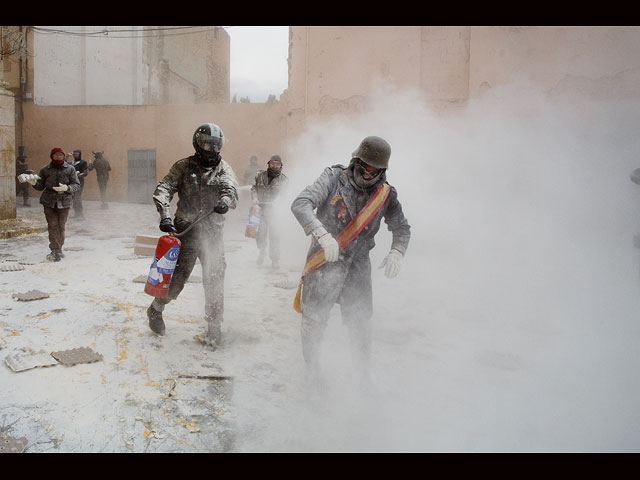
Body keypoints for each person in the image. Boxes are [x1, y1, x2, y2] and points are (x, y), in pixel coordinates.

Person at [290, 136, 411, 387]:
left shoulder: (385, 194)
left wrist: (397, 251)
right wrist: (321, 234)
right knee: (313, 321)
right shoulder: (334, 178)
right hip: (324, 260)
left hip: (357, 267)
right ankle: (312, 373)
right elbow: (301, 204)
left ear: (382, 170)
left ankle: (363, 375)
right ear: (355, 160)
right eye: (364, 166)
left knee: (360, 324)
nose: (368, 173)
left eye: (374, 170)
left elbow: (401, 228)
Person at [146, 123, 238, 349]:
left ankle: (214, 327)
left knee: (215, 279)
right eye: (208, 144)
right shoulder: (183, 166)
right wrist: (165, 216)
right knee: (177, 278)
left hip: (213, 233)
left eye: (216, 145)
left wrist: (225, 201)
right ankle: (156, 309)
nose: (212, 149)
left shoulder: (223, 168)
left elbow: (231, 188)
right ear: (198, 144)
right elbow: (164, 188)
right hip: (186, 231)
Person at [28, 147, 81, 261]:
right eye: (55, 155)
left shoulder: (70, 169)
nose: (58, 157)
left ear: (63, 156)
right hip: (49, 201)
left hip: (64, 201)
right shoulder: (45, 169)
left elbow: (76, 184)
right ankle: (54, 249)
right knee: (52, 225)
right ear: (51, 156)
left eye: (60, 155)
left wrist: (67, 188)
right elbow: (40, 186)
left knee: (61, 227)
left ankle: (59, 248)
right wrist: (33, 183)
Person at [251, 155, 288, 269]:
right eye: (273, 163)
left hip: (274, 213)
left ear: (281, 165)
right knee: (260, 234)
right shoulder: (259, 176)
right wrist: (255, 199)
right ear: (268, 164)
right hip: (260, 211)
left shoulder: (284, 180)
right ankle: (262, 252)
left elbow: (286, 194)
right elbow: (253, 188)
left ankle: (275, 260)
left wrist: (279, 202)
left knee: (274, 236)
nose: (275, 165)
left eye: (277, 164)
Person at [71, 149, 88, 219]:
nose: (75, 155)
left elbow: (85, 172)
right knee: (73, 198)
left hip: (79, 182)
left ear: (79, 154)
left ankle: (81, 214)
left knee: (77, 197)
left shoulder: (83, 162)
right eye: (74, 154)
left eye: (77, 154)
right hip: (72, 182)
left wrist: (79, 174)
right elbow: (64, 163)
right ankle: (76, 213)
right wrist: (66, 157)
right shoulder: (71, 163)